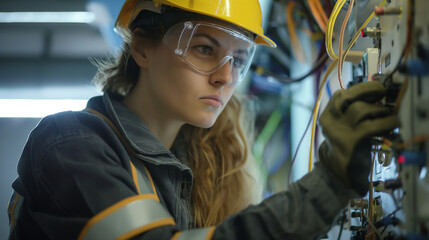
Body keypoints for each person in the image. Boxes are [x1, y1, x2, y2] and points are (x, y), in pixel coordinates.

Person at [7, 0, 399, 239]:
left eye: (238, 59)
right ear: (142, 47)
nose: (225, 77)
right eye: (204, 48)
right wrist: (328, 183)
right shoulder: (69, 144)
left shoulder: (196, 167)